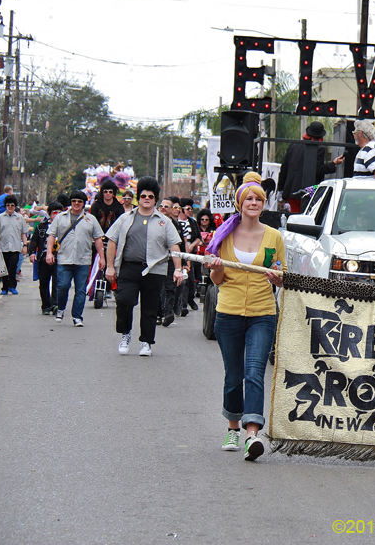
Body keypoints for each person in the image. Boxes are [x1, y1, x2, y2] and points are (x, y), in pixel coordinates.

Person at [204, 172, 286, 461]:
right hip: (228, 313)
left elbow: (282, 274)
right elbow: (217, 280)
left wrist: (277, 277)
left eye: (258, 199)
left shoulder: (274, 236)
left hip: (262, 313)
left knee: (254, 373)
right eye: (249, 199)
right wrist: (216, 267)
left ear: (263, 204)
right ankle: (232, 428)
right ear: (240, 204)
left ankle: (253, 434)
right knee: (234, 375)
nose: (253, 203)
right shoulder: (224, 234)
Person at [105, 177, 184, 357]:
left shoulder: (164, 221)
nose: (146, 199)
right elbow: (111, 240)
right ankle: (125, 334)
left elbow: (174, 246)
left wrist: (178, 269)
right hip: (129, 268)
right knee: (124, 301)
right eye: (143, 196)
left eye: (150, 196)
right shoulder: (125, 218)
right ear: (138, 198)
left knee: (150, 308)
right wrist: (110, 266)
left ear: (155, 199)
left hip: (154, 269)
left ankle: (146, 342)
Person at [46, 190, 105, 327]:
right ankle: (60, 308)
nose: (76, 204)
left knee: (80, 290)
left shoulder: (90, 219)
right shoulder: (60, 218)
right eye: (74, 201)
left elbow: (98, 239)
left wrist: (102, 258)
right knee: (63, 286)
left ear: (84, 203)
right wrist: (49, 253)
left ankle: (77, 316)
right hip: (64, 258)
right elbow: (51, 236)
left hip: (83, 260)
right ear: (70, 203)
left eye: (79, 201)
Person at [279, 121, 345, 211]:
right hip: (308, 192)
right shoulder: (319, 148)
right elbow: (317, 169)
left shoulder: (294, 145)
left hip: (291, 191)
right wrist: (333, 164)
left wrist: (281, 189)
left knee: (295, 216)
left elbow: (284, 168)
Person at [29, 202, 63, 314]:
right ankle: (45, 306)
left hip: (60, 257)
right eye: (54, 213)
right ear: (49, 214)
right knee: (44, 282)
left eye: (59, 213)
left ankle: (55, 304)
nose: (56, 215)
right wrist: (32, 253)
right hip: (43, 257)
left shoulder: (64, 227)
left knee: (57, 282)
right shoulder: (41, 227)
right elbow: (34, 240)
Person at [157, 197, 186, 326]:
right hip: (156, 260)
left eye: (166, 206)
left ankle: (168, 313)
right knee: (156, 287)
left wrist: (183, 263)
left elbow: (181, 245)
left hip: (171, 260)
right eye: (161, 206)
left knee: (170, 287)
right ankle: (158, 314)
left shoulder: (176, 225)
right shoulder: (153, 222)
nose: (163, 208)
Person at [0, 195, 28, 296]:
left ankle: (12, 286)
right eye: (8, 205)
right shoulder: (0, 218)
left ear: (15, 206)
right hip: (3, 247)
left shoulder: (19, 218)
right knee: (4, 268)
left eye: (12, 205)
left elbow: (23, 232)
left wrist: (25, 245)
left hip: (15, 247)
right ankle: (4, 287)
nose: (10, 207)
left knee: (13, 266)